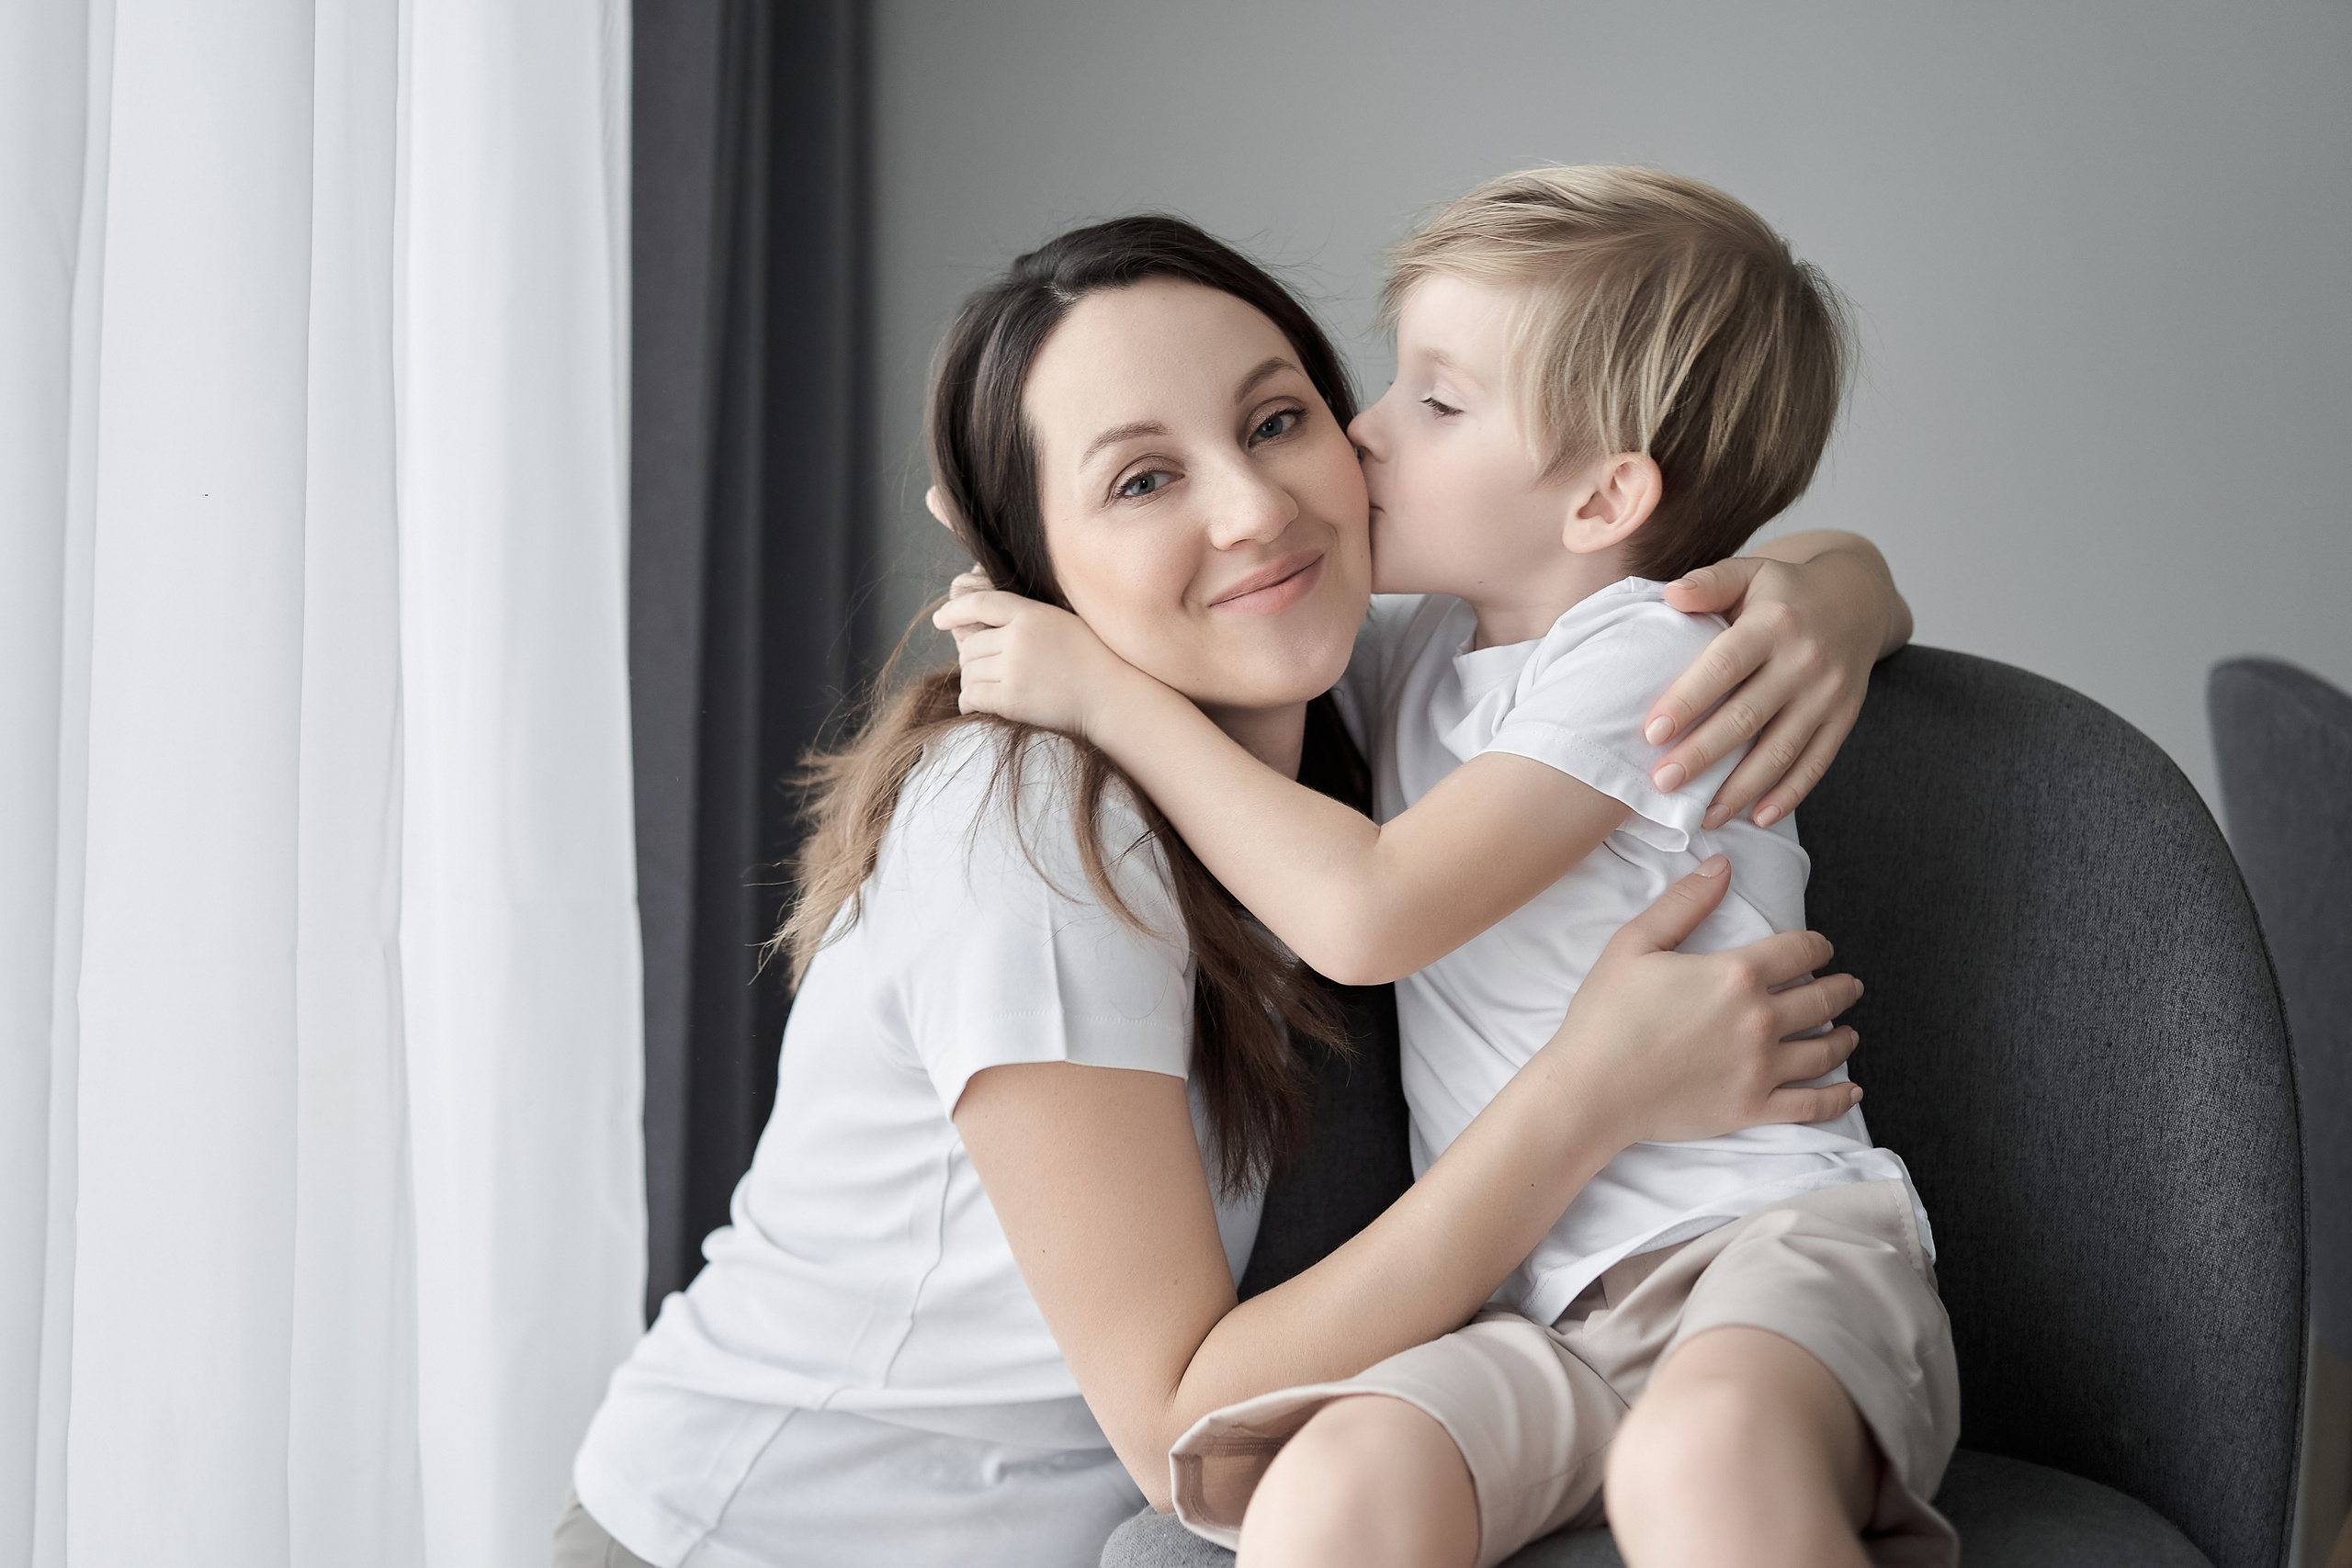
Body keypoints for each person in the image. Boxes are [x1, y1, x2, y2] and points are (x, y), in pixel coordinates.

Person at [558, 212, 1916, 1568]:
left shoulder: (1371, 686)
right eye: (1141, 482)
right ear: (1027, 557)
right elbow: (1172, 1429)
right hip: (755, 1540)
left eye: (1275, 422)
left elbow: (1609, 604)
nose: (1255, 510)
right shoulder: (1025, 824)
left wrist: (1825, 594)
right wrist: (1589, 1088)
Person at [940, 170, 1955, 1568]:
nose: (1364, 429)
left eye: (1437, 400)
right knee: (1332, 1491)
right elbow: (1207, 620)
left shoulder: (1647, 657)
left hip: (1761, 1252)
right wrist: (1016, 531)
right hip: (1540, 1314)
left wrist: (1109, 703)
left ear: (1605, 496)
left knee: (1703, 1468)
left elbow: (1371, 911)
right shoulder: (1425, 650)